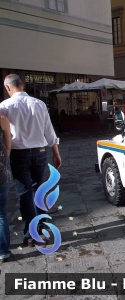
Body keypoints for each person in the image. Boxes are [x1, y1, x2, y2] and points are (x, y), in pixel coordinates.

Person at [1, 74, 62, 247]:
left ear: (8, 88)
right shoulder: (39, 104)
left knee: (25, 194)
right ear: (22, 85)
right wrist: (56, 153)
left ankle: (30, 234)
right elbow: (49, 131)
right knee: (38, 191)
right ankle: (39, 229)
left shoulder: (4, 106)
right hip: (40, 152)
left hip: (19, 154)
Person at [0, 116, 12, 261]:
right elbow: (8, 146)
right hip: (2, 172)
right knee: (1, 213)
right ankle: (3, 251)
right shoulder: (2, 119)